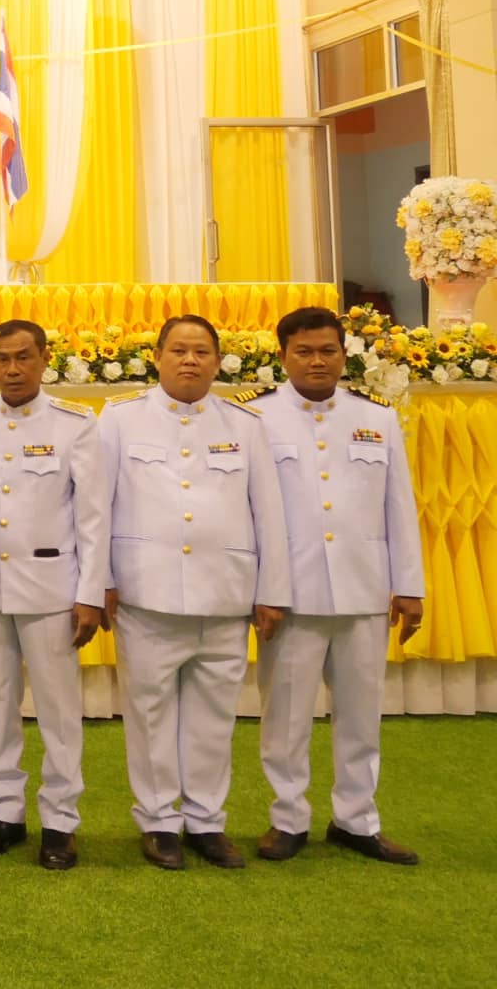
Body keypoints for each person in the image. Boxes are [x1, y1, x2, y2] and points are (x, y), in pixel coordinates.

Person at [99, 313, 289, 870]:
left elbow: (268, 513)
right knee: (150, 712)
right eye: (178, 350)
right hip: (145, 593)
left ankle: (206, 821)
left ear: (218, 360)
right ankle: (158, 820)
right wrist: (101, 581)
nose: (189, 360)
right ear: (156, 357)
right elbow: (96, 508)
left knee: (213, 714)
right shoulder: (119, 420)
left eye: (201, 352)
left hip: (224, 595)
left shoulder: (245, 424)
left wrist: (271, 590)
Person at [254, 306, 424, 865]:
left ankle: (356, 819)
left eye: (327, 350)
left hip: (363, 589)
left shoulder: (376, 418)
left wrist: (408, 585)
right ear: (282, 357)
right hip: (292, 594)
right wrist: (263, 590)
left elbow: (399, 507)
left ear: (343, 355)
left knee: (361, 714)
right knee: (286, 716)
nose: (317, 360)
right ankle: (288, 818)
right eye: (303, 351)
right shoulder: (257, 420)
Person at [0, 320, 104, 871]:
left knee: (58, 711)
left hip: (53, 591)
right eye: (2, 359)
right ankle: (5, 814)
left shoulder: (74, 425)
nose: (12, 369)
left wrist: (89, 592)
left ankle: (61, 821)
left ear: (45, 359)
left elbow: (92, 515)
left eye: (23, 357)